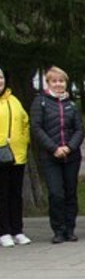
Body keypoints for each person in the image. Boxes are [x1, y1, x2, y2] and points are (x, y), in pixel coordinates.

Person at [28, 66, 85, 243]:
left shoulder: (71, 104)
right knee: (56, 193)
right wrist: (54, 148)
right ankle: (58, 229)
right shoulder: (41, 102)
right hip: (50, 156)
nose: (58, 84)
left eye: (61, 81)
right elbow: (37, 128)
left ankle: (70, 228)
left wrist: (70, 147)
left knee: (70, 192)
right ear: (48, 83)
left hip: (71, 155)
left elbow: (79, 129)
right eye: (55, 81)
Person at [0, 65, 32, 247]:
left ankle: (17, 230)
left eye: (1, 77)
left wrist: (23, 141)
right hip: (0, 154)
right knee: (2, 194)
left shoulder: (14, 101)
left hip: (16, 156)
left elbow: (25, 123)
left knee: (15, 194)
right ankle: (3, 231)